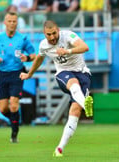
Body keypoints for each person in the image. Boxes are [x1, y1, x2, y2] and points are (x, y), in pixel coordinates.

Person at [19, 20, 93, 157]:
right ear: (44, 34)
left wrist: (67, 51)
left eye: (54, 33)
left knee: (75, 111)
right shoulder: (43, 45)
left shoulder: (68, 36)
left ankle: (59, 148)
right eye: (49, 35)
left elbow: (84, 47)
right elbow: (39, 59)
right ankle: (85, 105)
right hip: (63, 73)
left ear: (58, 30)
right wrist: (29, 74)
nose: (52, 37)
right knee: (73, 82)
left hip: (83, 73)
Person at [0, 12, 36, 143]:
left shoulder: (23, 38)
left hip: (17, 74)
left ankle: (14, 133)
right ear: (5, 22)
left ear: (17, 23)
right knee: (3, 109)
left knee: (14, 104)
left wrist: (27, 58)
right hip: (2, 74)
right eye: (10, 21)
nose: (12, 23)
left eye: (14, 21)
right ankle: (15, 121)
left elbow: (34, 54)